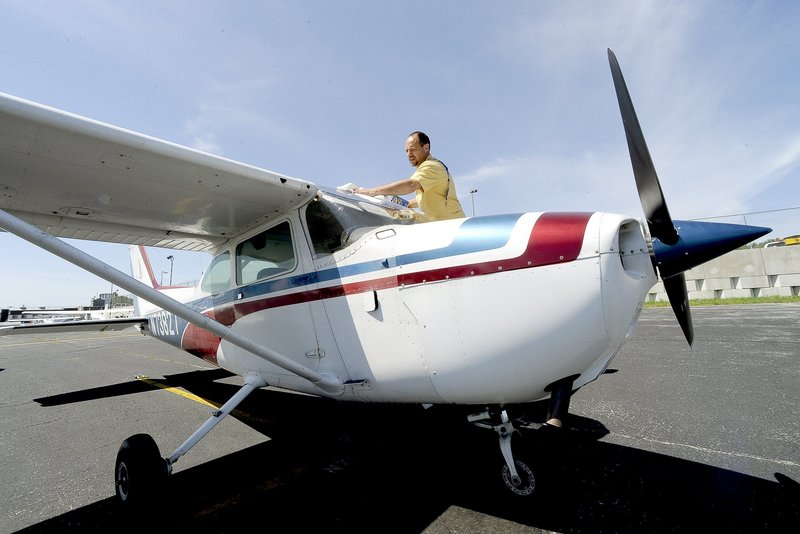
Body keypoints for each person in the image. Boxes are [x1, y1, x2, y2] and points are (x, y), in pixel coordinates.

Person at [355, 131, 465, 221]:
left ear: (426, 147)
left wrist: (371, 192)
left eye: (412, 149)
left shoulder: (432, 166)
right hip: (445, 226)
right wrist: (401, 203)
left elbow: (411, 185)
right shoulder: (429, 171)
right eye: (407, 151)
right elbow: (428, 198)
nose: (409, 154)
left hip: (452, 228)